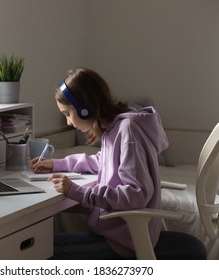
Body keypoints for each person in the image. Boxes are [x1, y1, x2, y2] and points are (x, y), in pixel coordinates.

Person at [30, 67, 168, 259]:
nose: (68, 122)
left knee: (38, 252)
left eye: (67, 114)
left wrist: (78, 192)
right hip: (117, 234)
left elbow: (136, 195)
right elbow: (102, 160)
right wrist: (56, 164)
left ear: (84, 109)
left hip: (123, 242)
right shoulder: (114, 127)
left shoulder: (128, 131)